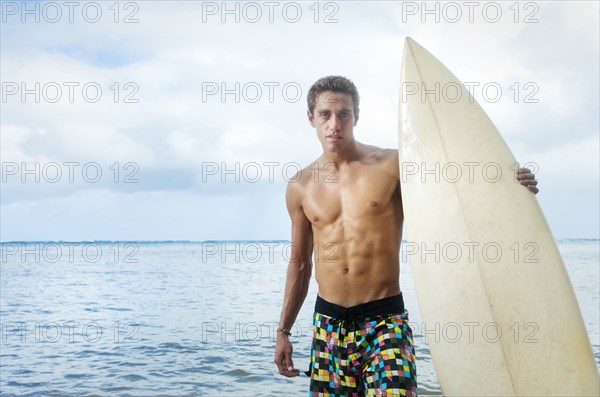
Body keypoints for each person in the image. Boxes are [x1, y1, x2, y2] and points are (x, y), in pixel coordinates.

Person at [273, 75, 539, 396]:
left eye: (344, 113)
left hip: (384, 320)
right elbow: (300, 265)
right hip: (329, 325)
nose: (335, 123)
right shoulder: (300, 185)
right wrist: (283, 331)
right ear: (311, 118)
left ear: (356, 116)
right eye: (325, 115)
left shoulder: (392, 164)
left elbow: (454, 185)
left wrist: (508, 182)